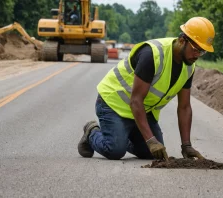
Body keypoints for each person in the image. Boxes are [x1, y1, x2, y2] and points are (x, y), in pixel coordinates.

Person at [78, 17, 215, 160]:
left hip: (142, 111)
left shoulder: (189, 67)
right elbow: (136, 100)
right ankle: (92, 132)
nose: (197, 55)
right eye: (195, 49)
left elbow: (184, 107)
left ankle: (122, 138)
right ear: (182, 40)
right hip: (113, 104)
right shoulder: (152, 54)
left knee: (154, 152)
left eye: (202, 51)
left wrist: (186, 145)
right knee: (115, 150)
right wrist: (150, 140)